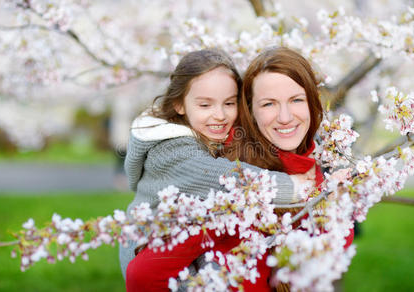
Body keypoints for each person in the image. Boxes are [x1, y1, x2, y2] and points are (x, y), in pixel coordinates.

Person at [119, 49, 315, 291]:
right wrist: (294, 188)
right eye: (205, 104)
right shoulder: (172, 150)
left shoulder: (212, 140)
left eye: (230, 103)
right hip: (150, 249)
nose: (220, 115)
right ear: (179, 104)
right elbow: (223, 178)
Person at [226, 46, 354, 291]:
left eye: (296, 100)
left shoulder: (312, 169)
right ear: (250, 112)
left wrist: (336, 209)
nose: (285, 117)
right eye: (269, 104)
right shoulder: (238, 178)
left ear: (312, 104)